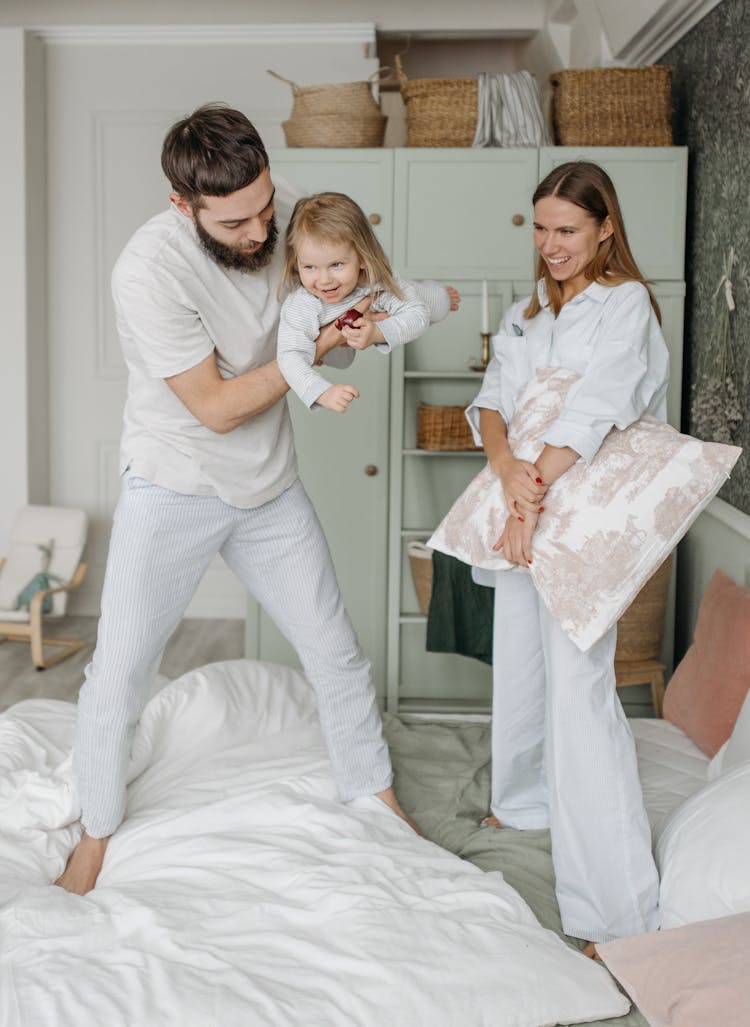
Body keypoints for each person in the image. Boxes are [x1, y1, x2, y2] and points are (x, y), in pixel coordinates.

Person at [55, 104, 417, 895]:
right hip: (173, 483)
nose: (261, 231)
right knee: (119, 673)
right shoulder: (148, 271)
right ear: (183, 206)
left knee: (335, 651)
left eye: (264, 208)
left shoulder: (280, 206)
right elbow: (216, 408)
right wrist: (315, 352)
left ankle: (377, 798)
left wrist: (356, 324)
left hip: (269, 484)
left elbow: (332, 320)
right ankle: (94, 834)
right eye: (236, 221)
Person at [465, 161, 669, 951]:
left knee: (580, 690)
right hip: (525, 501)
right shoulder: (528, 315)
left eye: (569, 231)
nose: (551, 244)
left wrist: (530, 491)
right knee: (519, 660)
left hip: (581, 513)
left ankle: (614, 910)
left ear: (605, 227)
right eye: (542, 228)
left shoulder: (627, 308)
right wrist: (510, 474)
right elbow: (489, 403)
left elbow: (594, 414)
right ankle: (522, 802)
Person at [278, 192, 459, 413]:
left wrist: (377, 333)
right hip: (340, 343)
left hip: (378, 300)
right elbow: (289, 356)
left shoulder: (377, 281)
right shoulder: (301, 304)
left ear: (362, 257)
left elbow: (417, 314)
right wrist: (322, 392)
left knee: (435, 303)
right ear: (297, 263)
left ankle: (441, 293)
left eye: (336, 264)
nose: (324, 280)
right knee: (332, 355)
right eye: (310, 267)